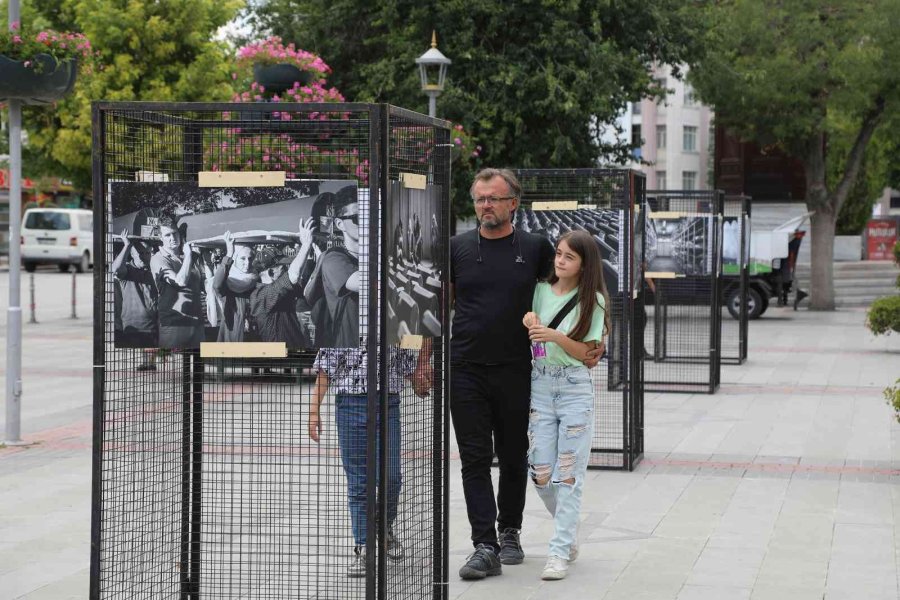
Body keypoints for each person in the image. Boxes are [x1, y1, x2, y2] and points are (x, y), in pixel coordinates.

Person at [450, 168, 604, 581]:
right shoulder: (458, 247)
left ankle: (510, 531)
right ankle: (484, 544)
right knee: (474, 459)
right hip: (465, 368)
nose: (486, 206)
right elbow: (438, 303)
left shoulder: (535, 247)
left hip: (521, 371)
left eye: (495, 198)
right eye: (480, 198)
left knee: (516, 456)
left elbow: (572, 289)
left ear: (512, 204)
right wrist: (427, 357)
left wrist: (596, 339)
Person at [522, 229, 610, 580]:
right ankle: (568, 530)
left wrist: (556, 336)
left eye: (569, 256)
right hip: (541, 384)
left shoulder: (595, 301)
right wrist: (531, 321)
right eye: (558, 254)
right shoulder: (541, 290)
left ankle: (558, 552)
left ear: (584, 264)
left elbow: (588, 354)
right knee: (541, 474)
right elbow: (531, 323)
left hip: (574, 388)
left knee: (568, 477)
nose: (560, 261)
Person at [308, 346, 431, 577]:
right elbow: (326, 365)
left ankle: (383, 527)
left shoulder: (391, 311)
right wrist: (314, 410)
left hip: (388, 403)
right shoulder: (346, 311)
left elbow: (403, 360)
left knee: (391, 476)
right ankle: (364, 547)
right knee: (359, 482)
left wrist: (417, 379)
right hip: (350, 404)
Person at [304, 186, 360, 347]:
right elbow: (364, 283)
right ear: (340, 224)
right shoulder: (333, 259)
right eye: (357, 218)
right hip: (348, 354)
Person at [249, 219, 316, 348]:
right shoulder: (260, 296)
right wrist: (306, 244)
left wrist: (308, 249)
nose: (286, 269)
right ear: (271, 272)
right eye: (283, 266)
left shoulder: (276, 290)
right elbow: (294, 275)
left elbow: (300, 276)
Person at [150, 216, 204, 349]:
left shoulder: (188, 257)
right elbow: (180, 282)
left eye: (175, 233)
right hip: (174, 324)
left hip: (196, 323)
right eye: (167, 235)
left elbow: (204, 286)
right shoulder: (158, 259)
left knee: (198, 367)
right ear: (161, 238)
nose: (172, 238)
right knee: (172, 367)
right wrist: (189, 256)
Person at [112, 228, 158, 350]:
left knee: (152, 364)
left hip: (154, 329)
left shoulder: (152, 271)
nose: (144, 257)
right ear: (132, 254)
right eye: (140, 253)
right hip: (134, 330)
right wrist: (127, 245)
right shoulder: (127, 271)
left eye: (147, 253)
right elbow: (115, 270)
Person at [212, 232, 259, 342]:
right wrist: (229, 255)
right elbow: (216, 285)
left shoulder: (256, 278)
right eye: (243, 258)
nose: (247, 263)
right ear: (235, 259)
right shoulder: (228, 283)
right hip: (233, 335)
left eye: (250, 258)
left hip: (253, 335)